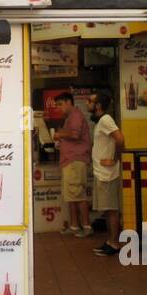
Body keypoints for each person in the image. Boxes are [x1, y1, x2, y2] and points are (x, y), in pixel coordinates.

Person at [88, 92, 126, 258]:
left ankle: (114, 243)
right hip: (102, 172)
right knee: (108, 209)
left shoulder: (105, 120)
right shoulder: (101, 122)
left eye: (90, 101)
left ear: (97, 105)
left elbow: (120, 139)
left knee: (111, 209)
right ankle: (110, 241)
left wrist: (114, 159)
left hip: (107, 174)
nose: (87, 103)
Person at [51, 92, 92, 237]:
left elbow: (75, 135)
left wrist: (58, 135)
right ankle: (74, 225)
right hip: (69, 160)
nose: (59, 108)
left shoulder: (75, 115)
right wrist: (61, 141)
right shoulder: (70, 117)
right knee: (71, 195)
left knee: (78, 194)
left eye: (60, 104)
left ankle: (86, 226)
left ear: (69, 102)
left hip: (75, 160)